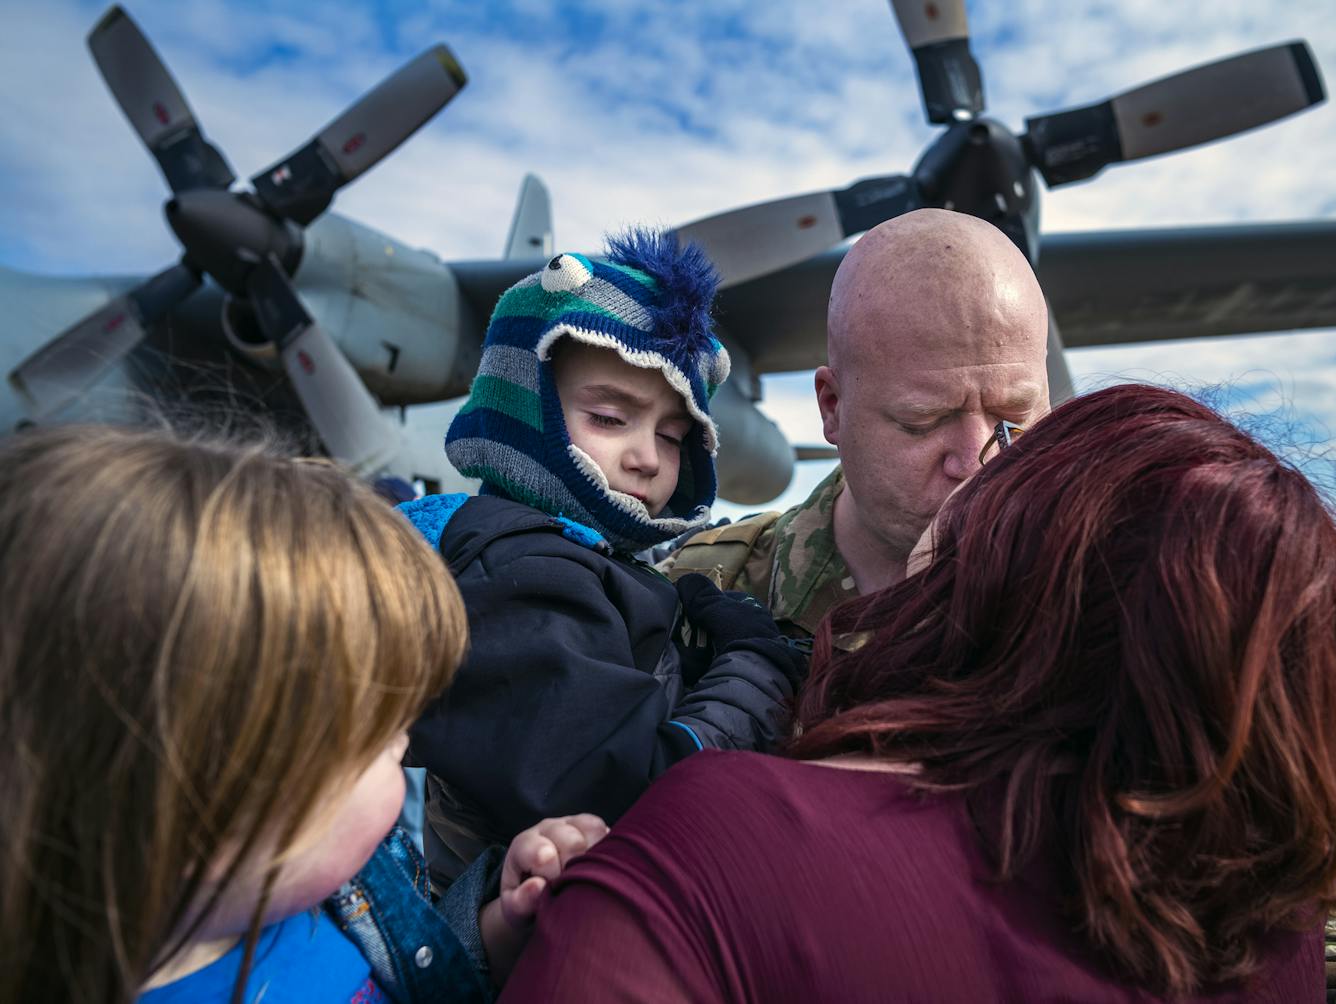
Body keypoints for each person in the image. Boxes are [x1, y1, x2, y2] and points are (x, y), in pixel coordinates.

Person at [501, 384, 1336, 1003]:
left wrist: (528, 932)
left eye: (1017, 432)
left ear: (1044, 581)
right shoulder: (1276, 885)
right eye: (923, 416)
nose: (975, 463)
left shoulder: (720, 846)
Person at [0, 425, 606, 1004]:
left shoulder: (326, 883)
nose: (405, 747)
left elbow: (416, 974)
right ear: (202, 794)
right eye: (379, 730)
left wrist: (500, 928)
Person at [403, 228, 806, 891]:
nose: (649, 457)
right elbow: (637, 800)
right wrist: (759, 667)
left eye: (674, 436)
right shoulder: (525, 577)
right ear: (525, 406)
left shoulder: (572, 560)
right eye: (611, 419)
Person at [662, 207, 1052, 633]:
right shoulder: (692, 597)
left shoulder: (1110, 584)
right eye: (923, 421)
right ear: (832, 407)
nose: (977, 465)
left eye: (1014, 413)